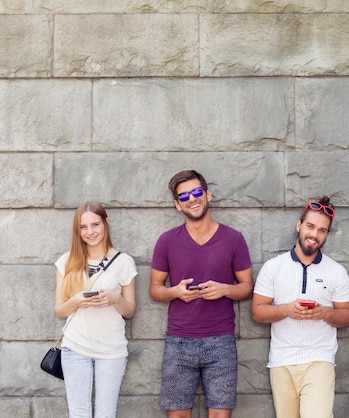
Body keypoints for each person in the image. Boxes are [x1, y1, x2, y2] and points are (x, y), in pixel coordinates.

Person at [149, 170, 253, 418]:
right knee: (178, 415)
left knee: (220, 415)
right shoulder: (166, 241)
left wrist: (224, 289)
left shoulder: (233, 239)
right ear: (177, 204)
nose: (192, 199)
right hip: (179, 340)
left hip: (221, 340)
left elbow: (247, 286)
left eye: (197, 192)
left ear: (208, 194)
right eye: (184, 196)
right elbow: (155, 289)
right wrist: (175, 292)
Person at [251, 197, 349, 418]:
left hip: (319, 359)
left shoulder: (336, 271)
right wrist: (287, 309)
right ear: (299, 225)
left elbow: (347, 316)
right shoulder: (273, 267)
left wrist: (324, 313)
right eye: (310, 226)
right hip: (281, 361)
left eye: (322, 230)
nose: (314, 235)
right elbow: (258, 311)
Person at [54, 201, 137, 418]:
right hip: (75, 348)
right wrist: (76, 301)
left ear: (106, 223)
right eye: (83, 227)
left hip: (112, 351)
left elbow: (129, 310)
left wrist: (114, 299)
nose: (90, 232)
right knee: (78, 414)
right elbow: (60, 311)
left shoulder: (124, 261)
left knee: (106, 414)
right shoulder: (67, 261)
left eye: (95, 224)